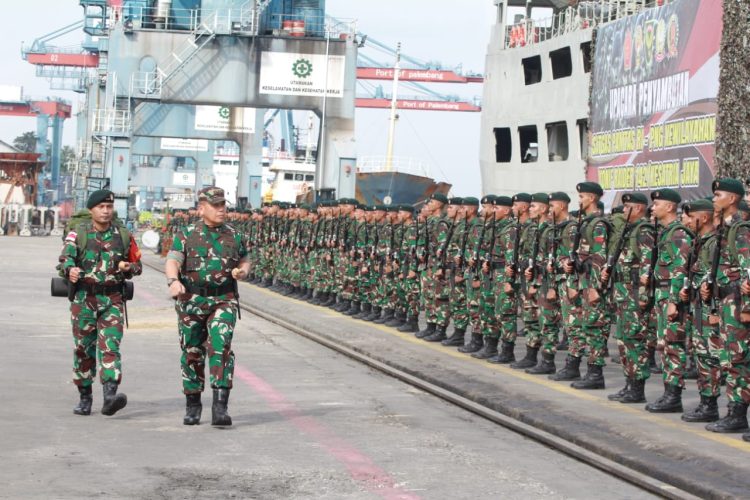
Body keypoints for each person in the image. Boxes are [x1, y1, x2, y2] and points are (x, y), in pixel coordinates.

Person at [165, 187, 250, 426]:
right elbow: (173, 260)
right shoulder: (186, 234)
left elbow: (245, 257)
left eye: (224, 205)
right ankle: (193, 404)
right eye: (216, 205)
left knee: (220, 345)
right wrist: (173, 282)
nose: (222, 209)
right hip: (191, 300)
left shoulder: (234, 235)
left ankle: (220, 407)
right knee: (192, 351)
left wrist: (242, 271)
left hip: (223, 299)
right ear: (202, 208)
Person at [58, 189, 142, 417]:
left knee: (110, 347)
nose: (106, 211)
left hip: (112, 299)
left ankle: (109, 397)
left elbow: (138, 265)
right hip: (84, 299)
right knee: (83, 349)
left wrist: (128, 267)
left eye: (109, 207)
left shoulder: (123, 235)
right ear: (91, 210)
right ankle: (85, 397)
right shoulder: (79, 233)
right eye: (101, 207)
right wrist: (70, 270)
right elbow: (65, 259)